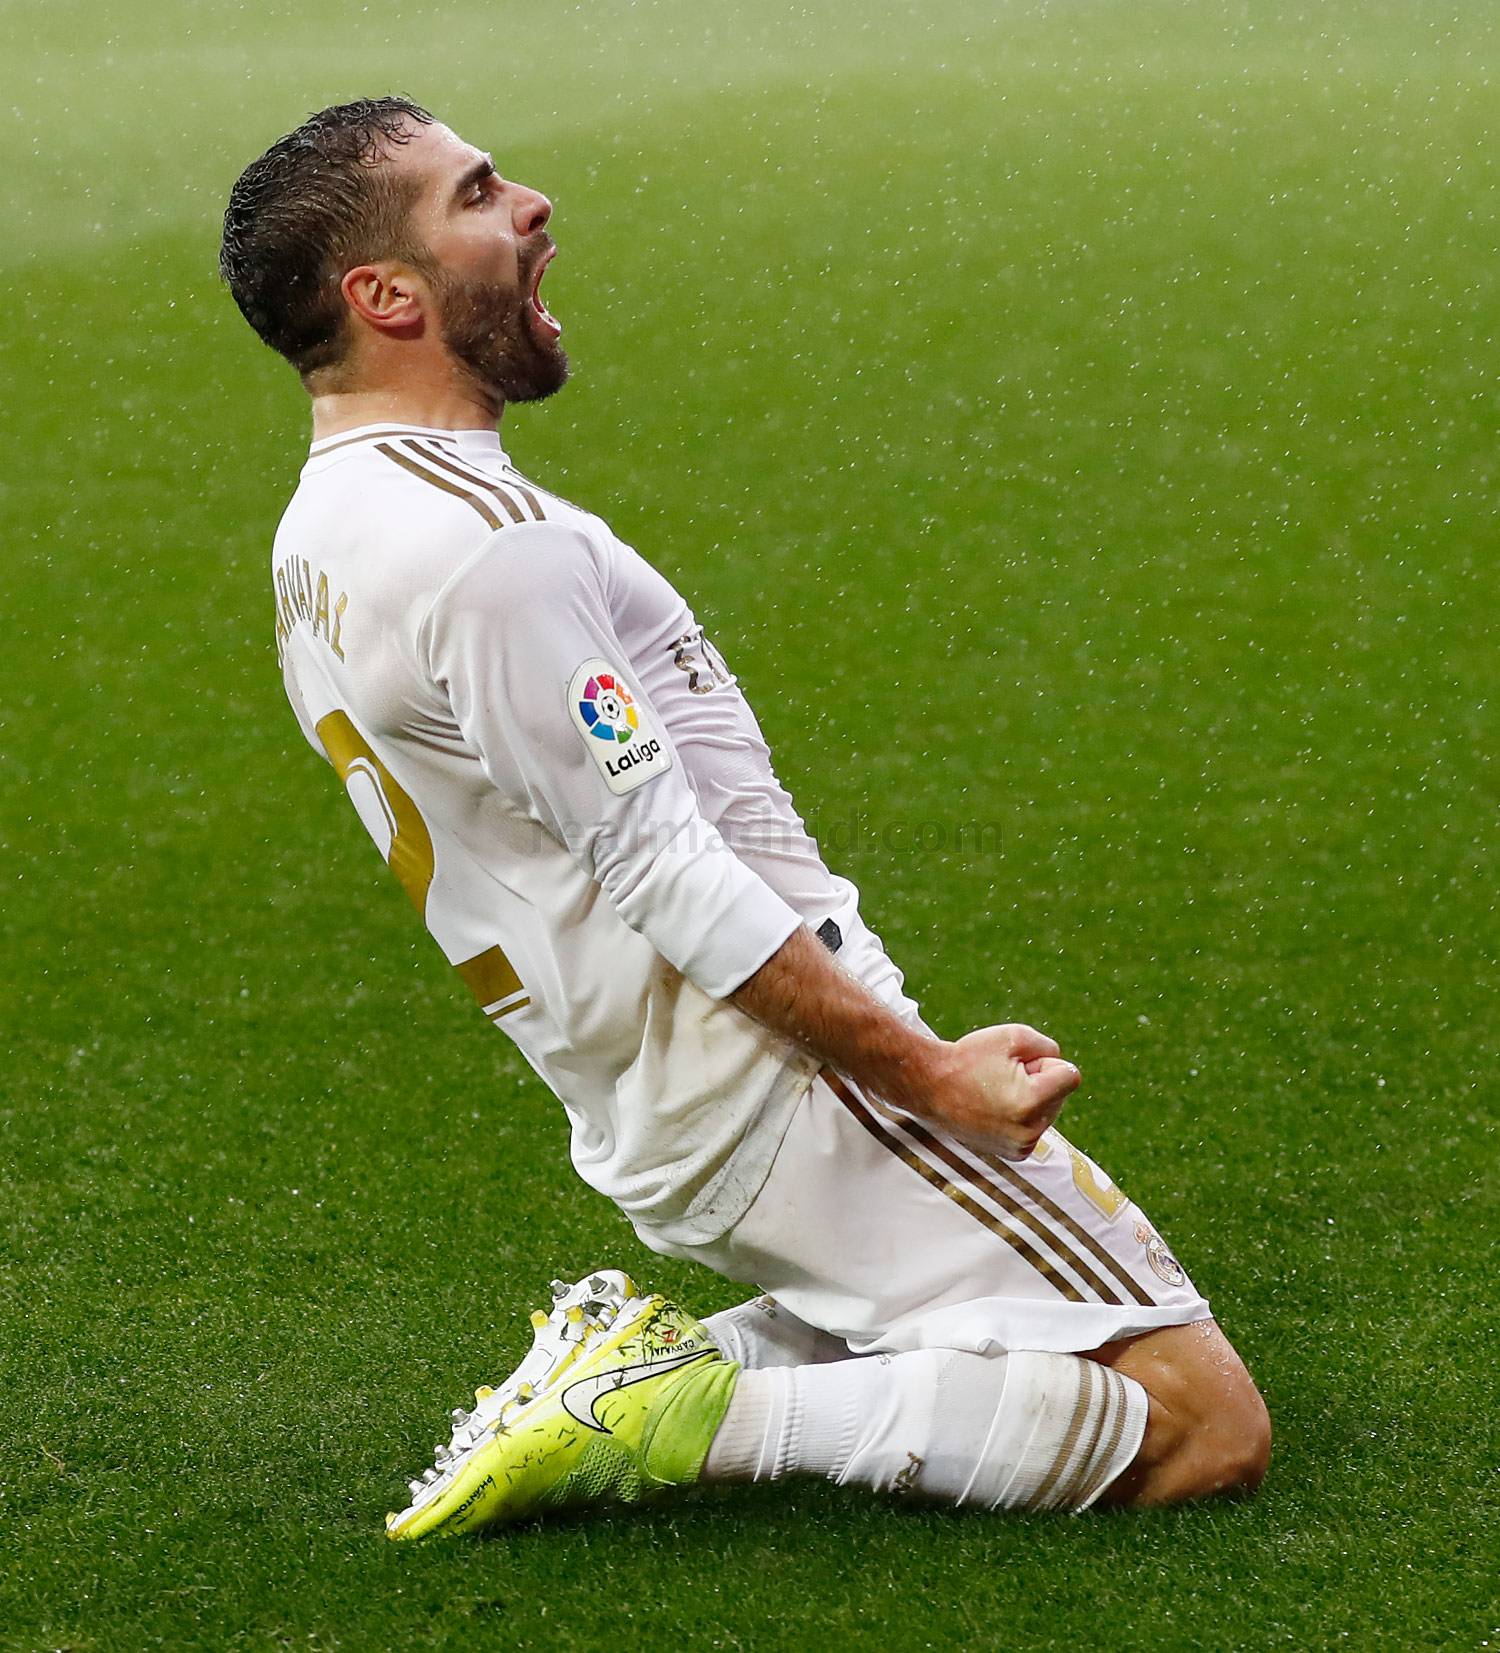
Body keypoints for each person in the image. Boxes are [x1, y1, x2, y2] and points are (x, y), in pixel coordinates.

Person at [219, 96, 1270, 1539]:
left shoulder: (322, 531)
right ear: (384, 295)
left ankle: (645, 1374)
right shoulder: (483, 555)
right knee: (1200, 1420)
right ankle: (681, 1414)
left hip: (646, 1082)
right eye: (475, 194)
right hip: (780, 1075)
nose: (529, 203)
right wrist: (927, 1075)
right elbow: (668, 871)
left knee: (951, 1316)